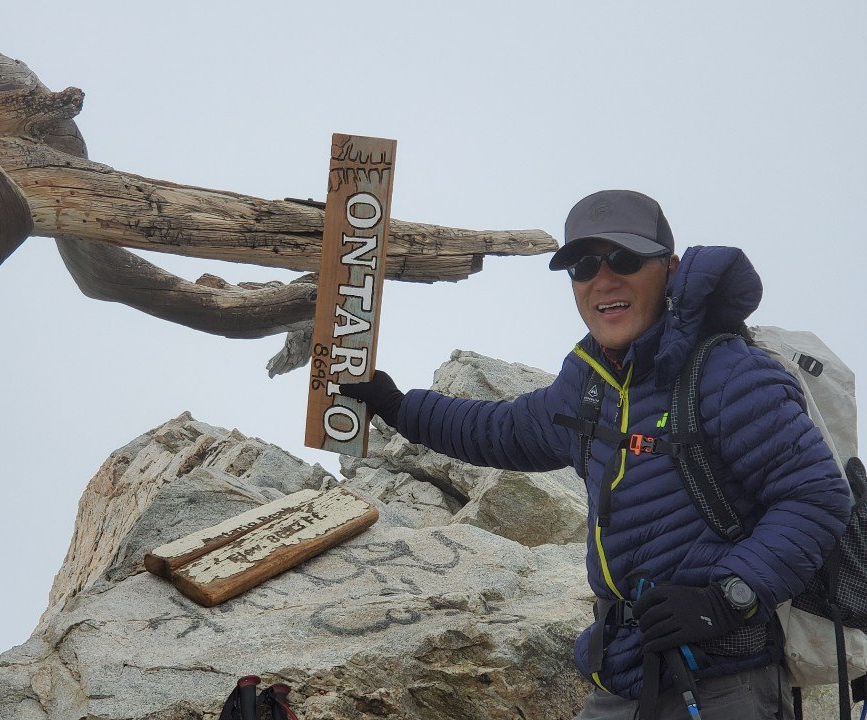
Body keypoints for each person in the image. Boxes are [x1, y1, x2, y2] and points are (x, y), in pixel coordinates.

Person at [338, 190, 852, 719]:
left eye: (626, 260)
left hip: (724, 680)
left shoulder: (728, 374)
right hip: (626, 674)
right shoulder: (590, 384)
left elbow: (816, 497)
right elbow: (502, 430)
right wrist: (397, 406)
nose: (603, 281)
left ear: (669, 269)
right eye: (583, 266)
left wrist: (728, 598)